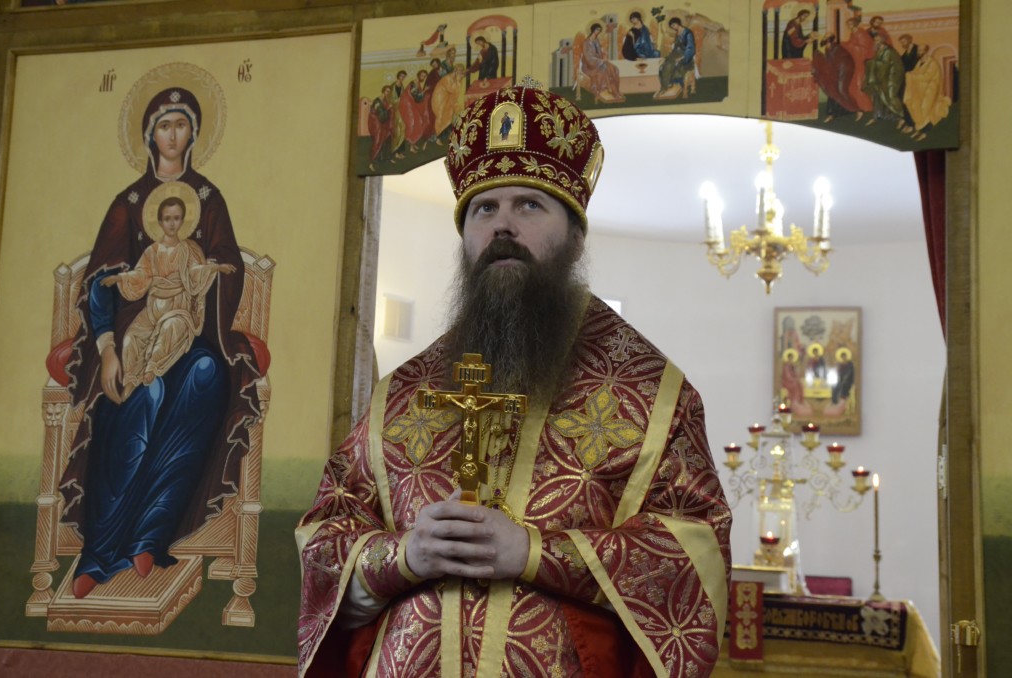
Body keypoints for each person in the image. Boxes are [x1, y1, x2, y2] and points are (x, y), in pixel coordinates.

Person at [296, 84, 731, 677]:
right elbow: (324, 538)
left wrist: (533, 552)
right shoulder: (402, 393)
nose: (502, 226)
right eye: (484, 209)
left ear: (574, 234)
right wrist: (403, 555)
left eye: (529, 205)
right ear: (466, 237)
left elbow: (693, 557)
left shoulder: (649, 392)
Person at [63, 86, 262, 599]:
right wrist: (108, 348)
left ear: (194, 133)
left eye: (182, 125)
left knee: (205, 376)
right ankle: (101, 552)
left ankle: (150, 536)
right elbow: (101, 283)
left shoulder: (208, 200)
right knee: (142, 395)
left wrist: (206, 276)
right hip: (130, 338)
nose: (173, 135)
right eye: (164, 126)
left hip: (192, 333)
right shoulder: (128, 205)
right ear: (150, 135)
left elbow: (227, 266)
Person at [100, 191, 237, 401]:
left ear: (182, 221)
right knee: (130, 339)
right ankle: (130, 383)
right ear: (160, 222)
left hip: (178, 307)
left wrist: (215, 268)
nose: (172, 224)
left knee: (169, 329)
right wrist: (120, 278)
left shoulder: (189, 250)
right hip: (153, 307)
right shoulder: (152, 251)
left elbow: (195, 272)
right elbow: (141, 274)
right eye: (167, 219)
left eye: (176, 218)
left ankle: (150, 374)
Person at [579, 22, 625, 103]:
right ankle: (605, 89)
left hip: (599, 62)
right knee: (604, 69)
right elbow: (588, 58)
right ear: (593, 30)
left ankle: (615, 90)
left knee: (614, 69)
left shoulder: (597, 41)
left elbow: (599, 54)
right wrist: (601, 61)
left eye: (599, 30)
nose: (598, 32)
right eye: (597, 30)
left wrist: (603, 58)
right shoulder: (586, 42)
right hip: (589, 65)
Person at [657, 17, 697, 100]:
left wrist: (683, 57)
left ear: (678, 23)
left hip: (685, 56)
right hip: (676, 54)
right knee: (663, 66)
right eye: (672, 26)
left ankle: (666, 87)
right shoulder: (677, 33)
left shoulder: (688, 33)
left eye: (674, 25)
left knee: (671, 66)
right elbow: (675, 47)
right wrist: (667, 57)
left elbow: (690, 48)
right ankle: (665, 86)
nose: (673, 27)